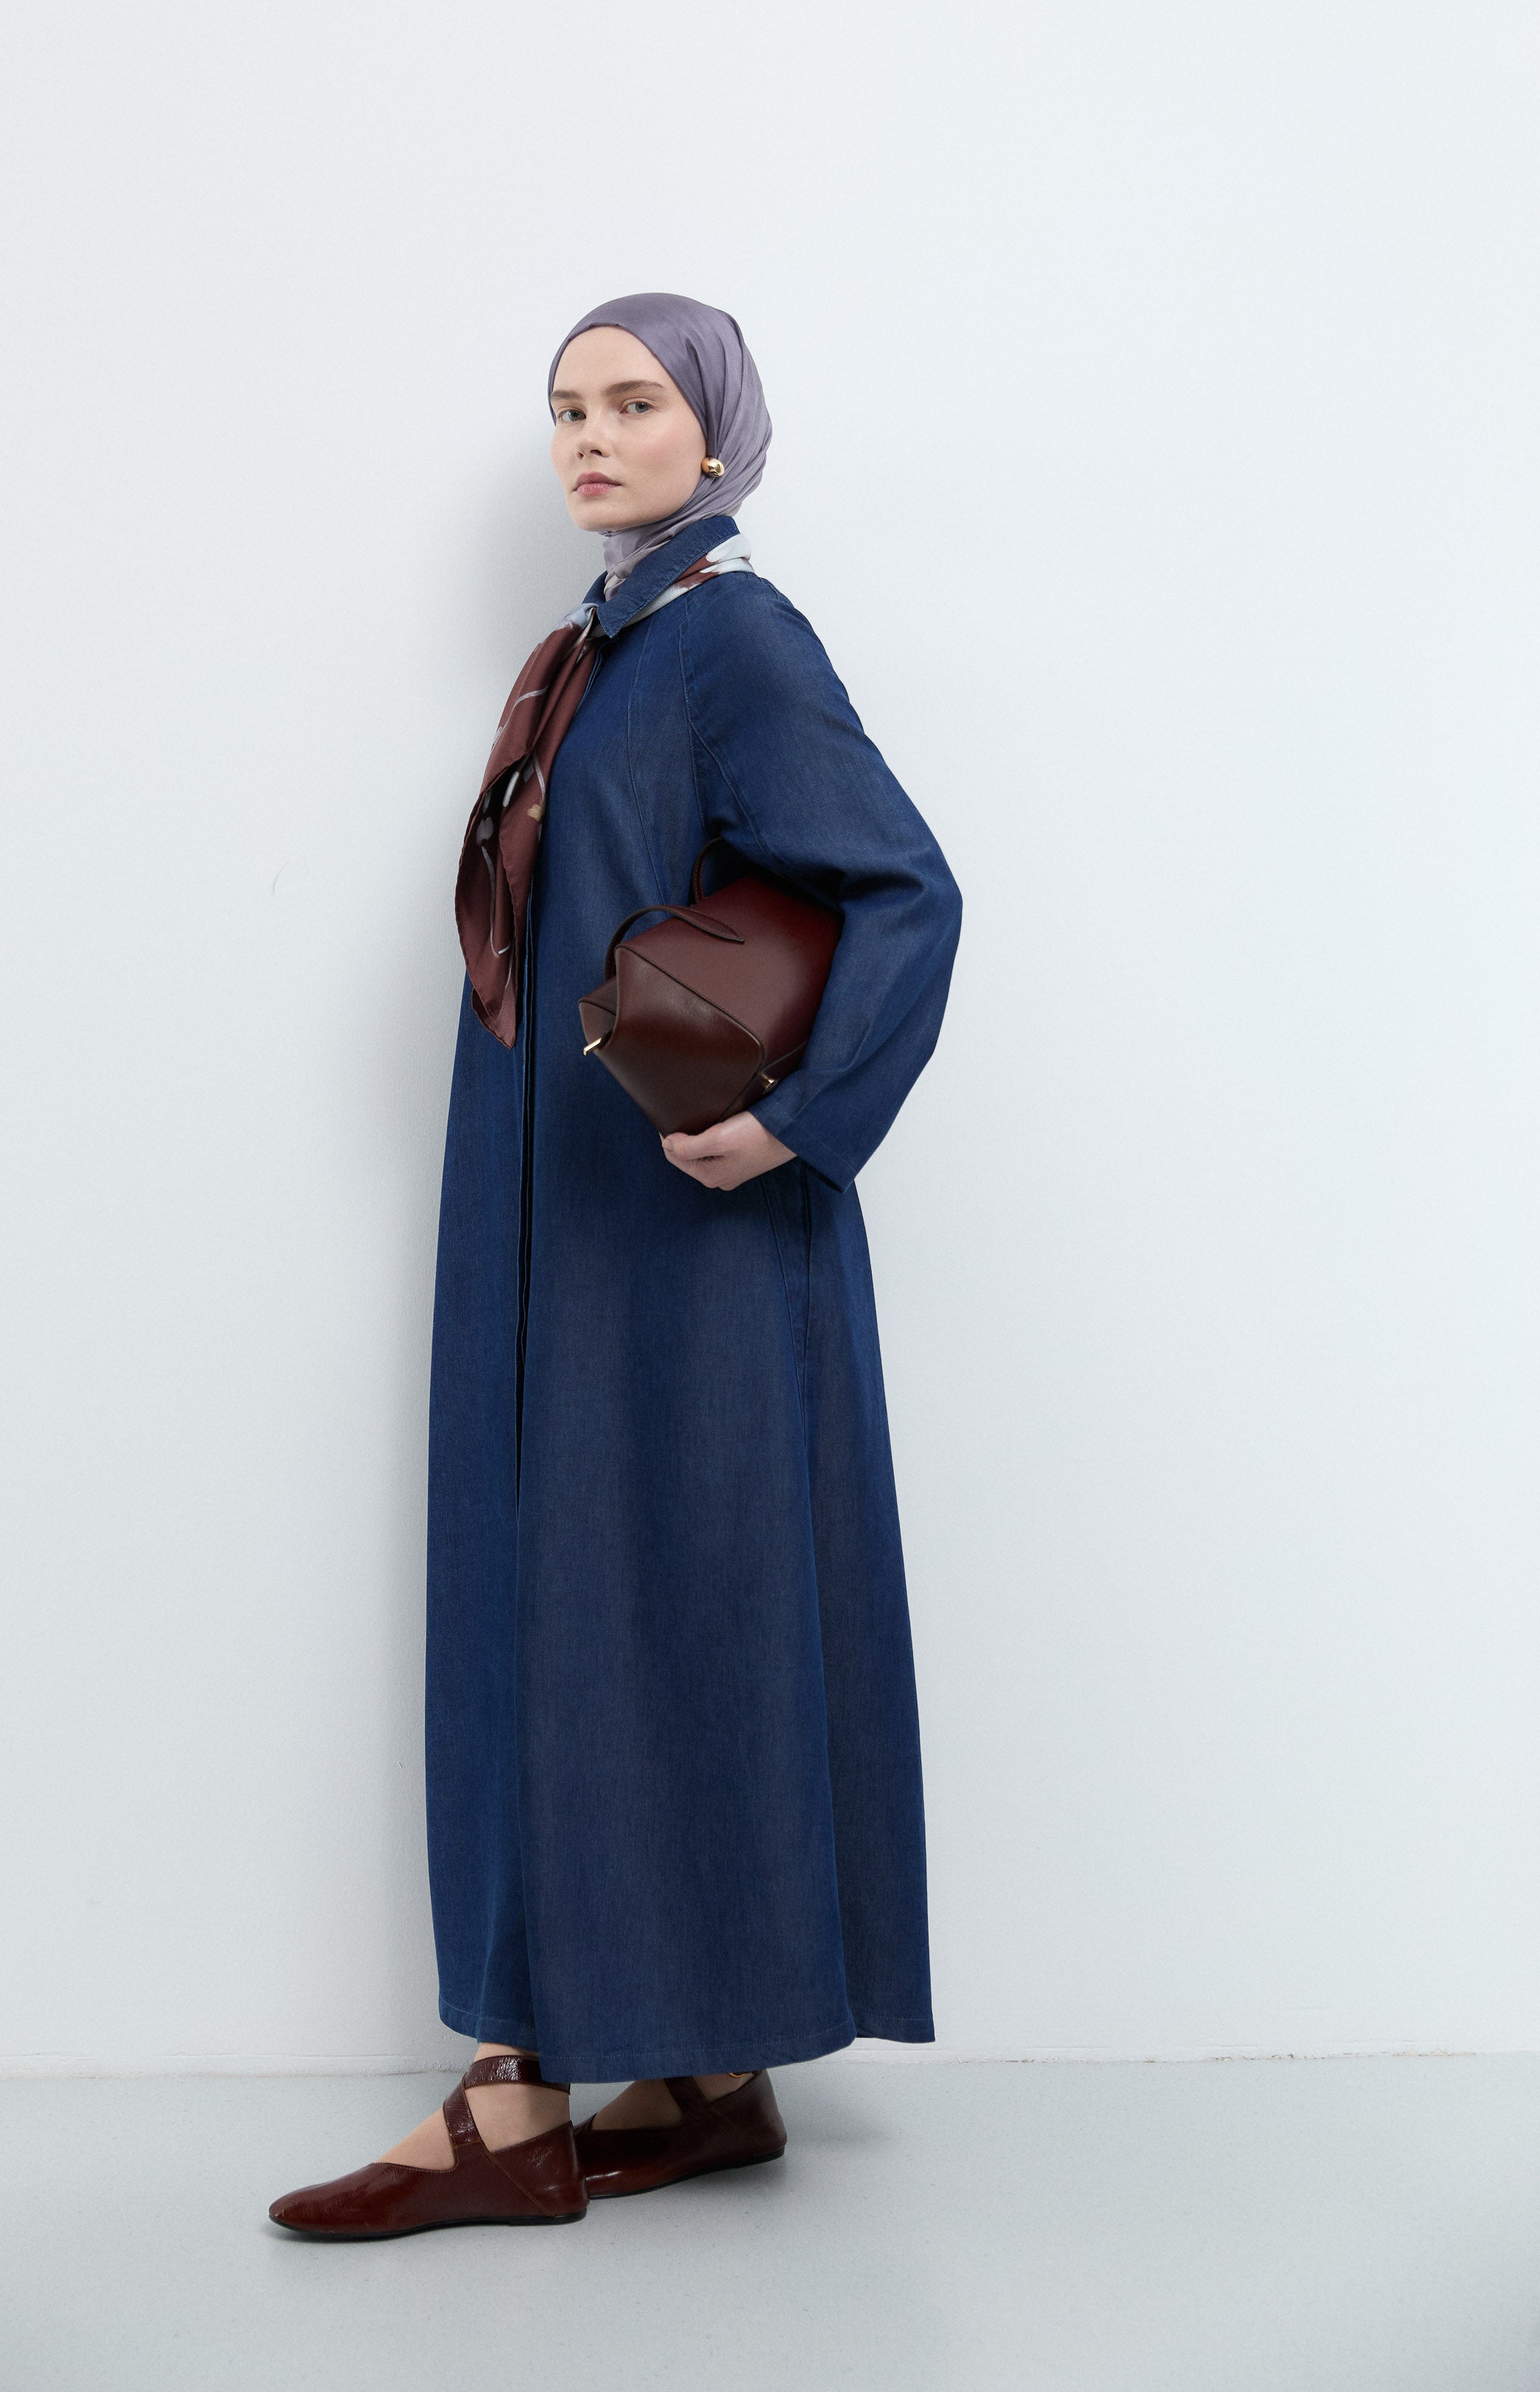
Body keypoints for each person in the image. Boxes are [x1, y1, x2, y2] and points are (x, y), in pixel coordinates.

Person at [269, 294, 962, 2242]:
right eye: (568, 407)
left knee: (644, 1604)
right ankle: (706, 2069)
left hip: (683, 1226)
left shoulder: (735, 640)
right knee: (589, 1600)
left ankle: (517, 2099)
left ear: (716, 434)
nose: (589, 436)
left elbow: (905, 887)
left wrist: (805, 1122)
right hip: (550, 1207)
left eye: (635, 402)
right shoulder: (600, 649)